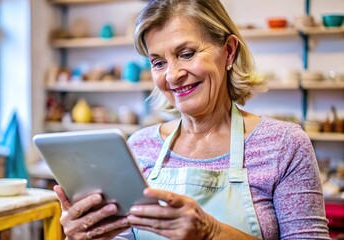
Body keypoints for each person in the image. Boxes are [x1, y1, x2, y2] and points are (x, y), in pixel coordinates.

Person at [54, 0, 331, 239]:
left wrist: (211, 233)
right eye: (158, 62)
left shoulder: (284, 145)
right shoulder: (139, 147)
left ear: (229, 52)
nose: (173, 75)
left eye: (186, 54)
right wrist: (86, 235)